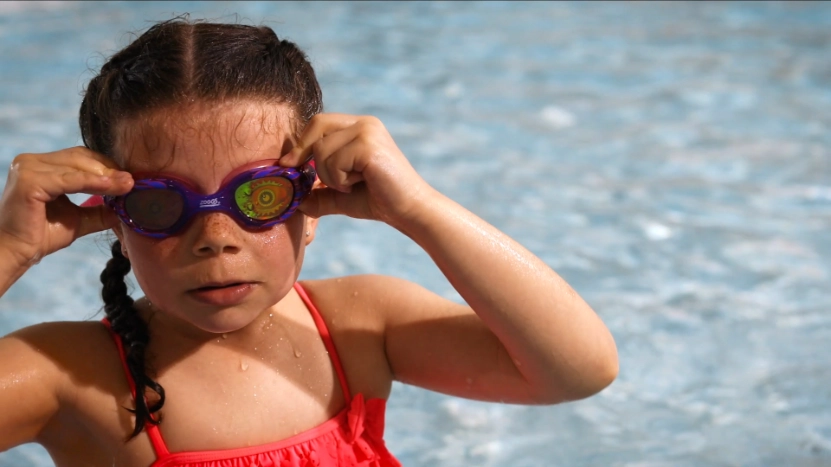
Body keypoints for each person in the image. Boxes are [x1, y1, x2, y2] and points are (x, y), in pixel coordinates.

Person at [0, 18, 618, 467]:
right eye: (164, 204)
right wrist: (10, 248)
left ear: (313, 200)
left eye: (259, 197)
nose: (216, 238)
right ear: (114, 215)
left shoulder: (358, 327)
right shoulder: (72, 375)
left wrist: (418, 209)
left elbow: (576, 372)